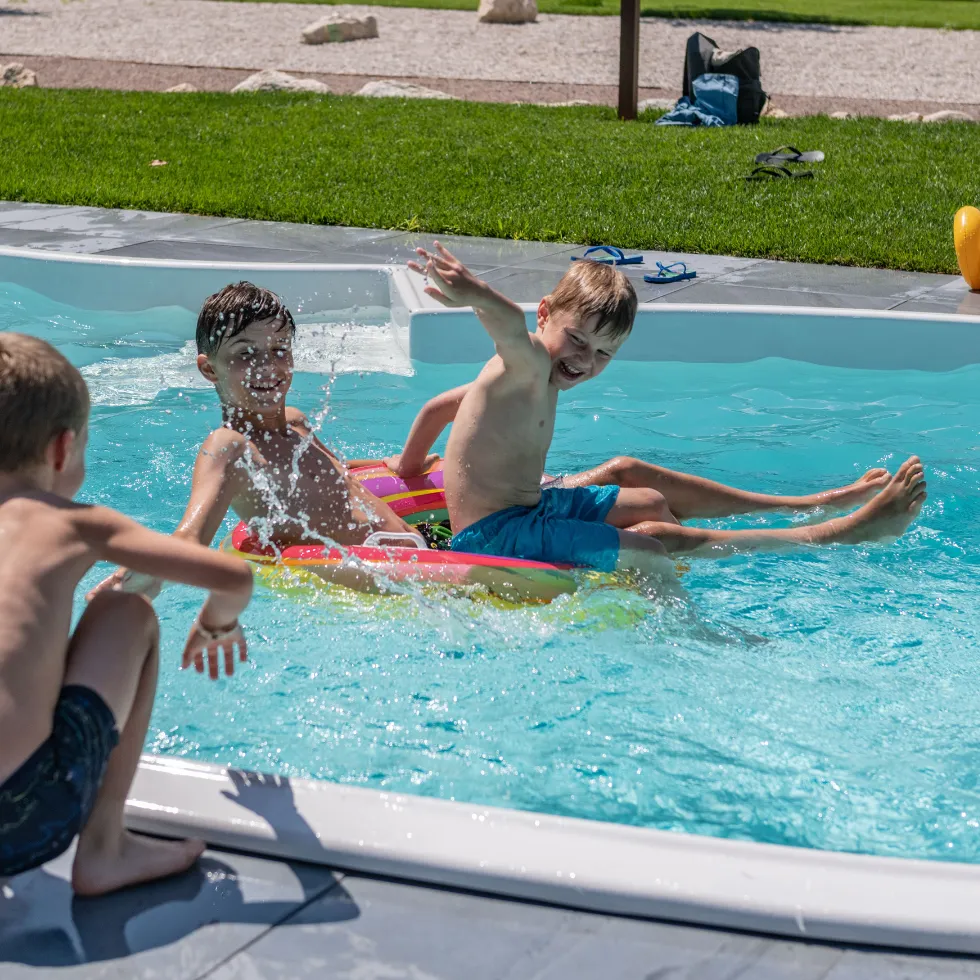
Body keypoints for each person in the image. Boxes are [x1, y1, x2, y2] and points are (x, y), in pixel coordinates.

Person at [401, 244, 927, 581]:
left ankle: (805, 511)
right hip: (497, 535)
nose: (585, 360)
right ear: (544, 315)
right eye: (577, 339)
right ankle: (830, 534)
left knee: (649, 498)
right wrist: (475, 293)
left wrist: (408, 469)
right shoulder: (529, 360)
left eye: (603, 353)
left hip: (528, 510)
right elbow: (509, 326)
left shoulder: (533, 375)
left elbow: (440, 406)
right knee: (655, 545)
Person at [0, 333, 254, 896]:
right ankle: (105, 847)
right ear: (63, 449)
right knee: (126, 611)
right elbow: (233, 575)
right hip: (19, 819)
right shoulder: (73, 523)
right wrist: (217, 622)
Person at [92, 282, 421, 598]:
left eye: (279, 349)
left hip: (416, 551)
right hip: (388, 581)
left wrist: (386, 464)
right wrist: (147, 569)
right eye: (246, 353)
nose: (267, 366)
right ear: (209, 369)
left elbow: (338, 477)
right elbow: (191, 538)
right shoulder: (230, 448)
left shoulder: (296, 423)